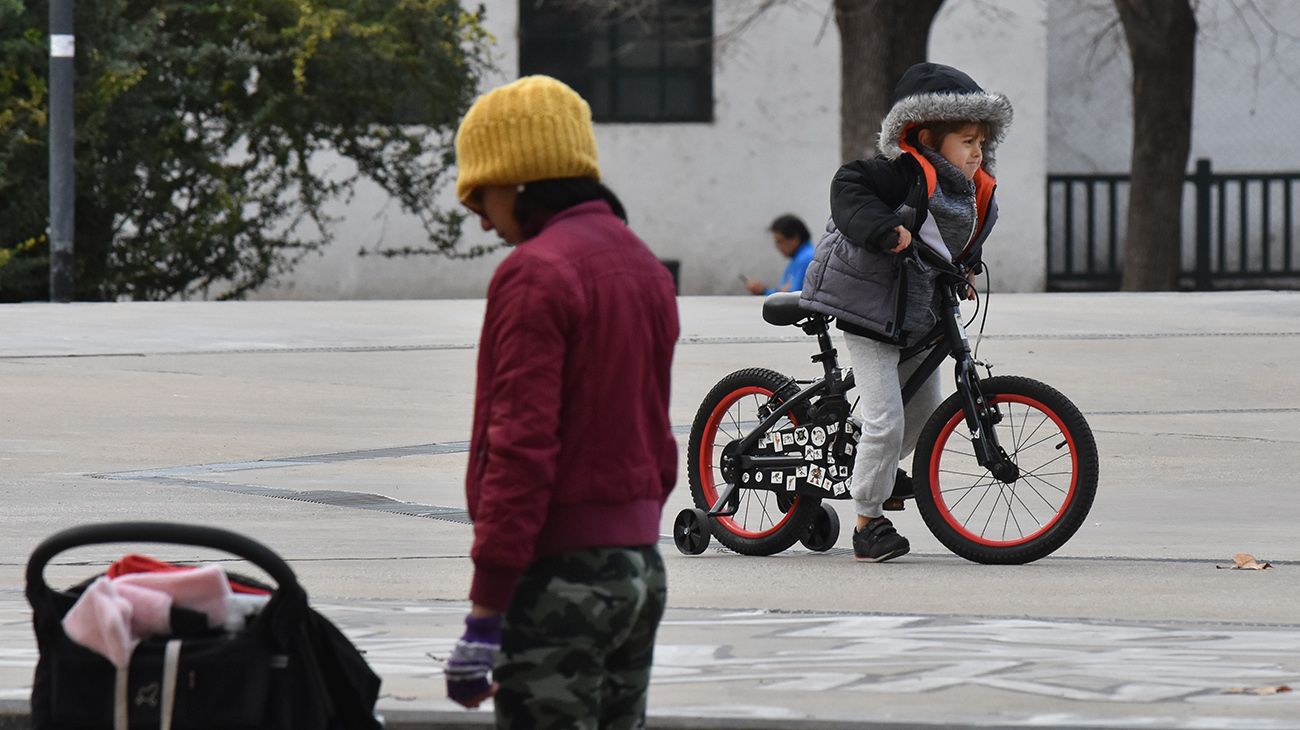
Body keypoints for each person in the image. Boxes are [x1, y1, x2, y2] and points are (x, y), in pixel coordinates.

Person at [442, 75, 680, 729]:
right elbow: (656, 438)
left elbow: (520, 446)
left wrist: (485, 615)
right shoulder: (644, 267)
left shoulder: (535, 272)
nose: (484, 220)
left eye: (483, 196)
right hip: (640, 570)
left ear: (520, 180)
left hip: (559, 581)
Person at [800, 62, 1013, 562]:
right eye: (966, 140)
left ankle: (863, 468)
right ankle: (867, 525)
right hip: (870, 310)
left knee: (919, 413)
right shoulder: (900, 174)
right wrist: (880, 229)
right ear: (926, 138)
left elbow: (953, 243)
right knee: (885, 421)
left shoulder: (972, 193)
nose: (977, 151)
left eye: (981, 141)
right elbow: (848, 188)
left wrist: (965, 269)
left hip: (918, 315)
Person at [743, 214, 815, 295]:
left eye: (779, 241)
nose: (777, 247)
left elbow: (792, 297)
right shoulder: (799, 258)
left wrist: (764, 291)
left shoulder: (806, 259)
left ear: (795, 239)